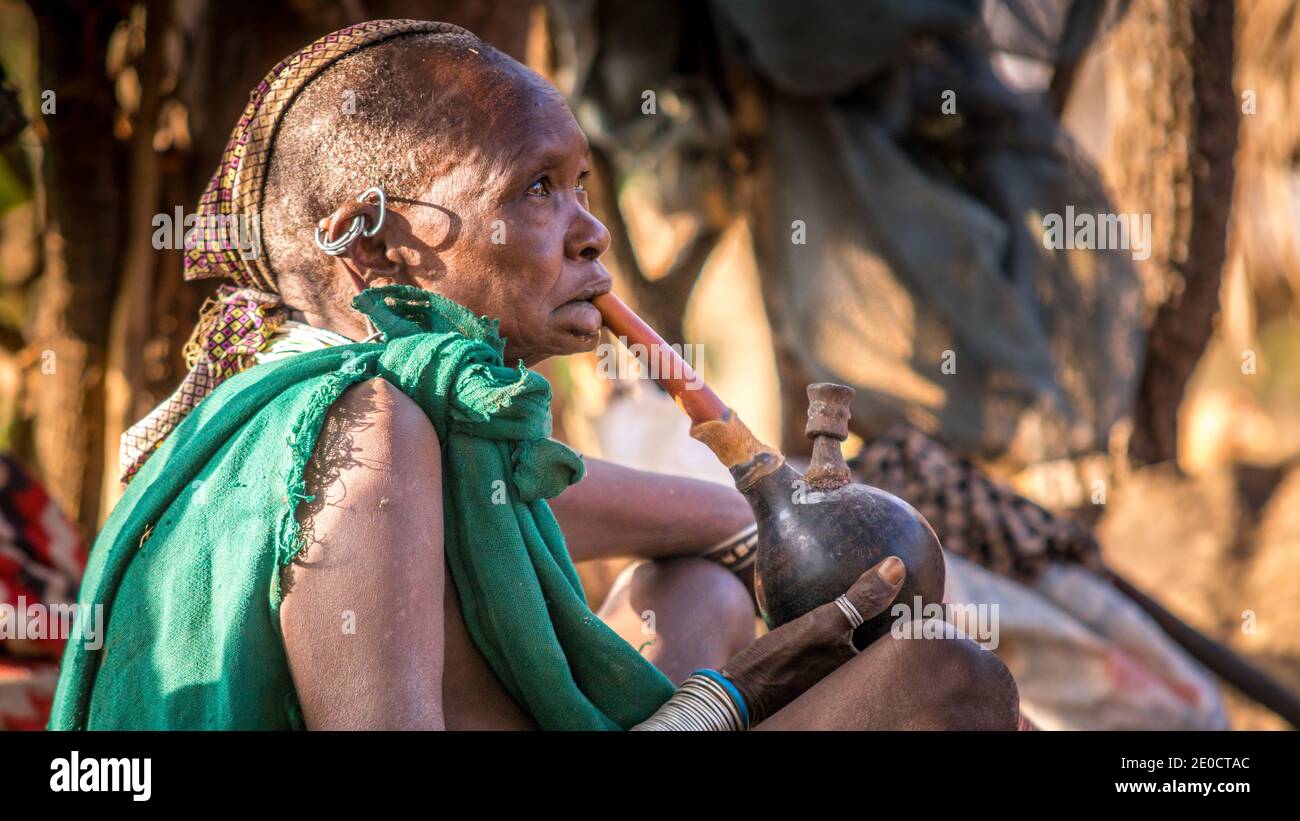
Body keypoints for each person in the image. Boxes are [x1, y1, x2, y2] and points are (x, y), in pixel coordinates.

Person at [50, 20, 1019, 730]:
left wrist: (795, 525)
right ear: (374, 243)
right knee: (942, 679)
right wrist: (732, 699)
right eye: (536, 188)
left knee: (700, 590)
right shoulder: (361, 425)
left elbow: (718, 525)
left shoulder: (434, 438)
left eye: (581, 187)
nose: (593, 232)